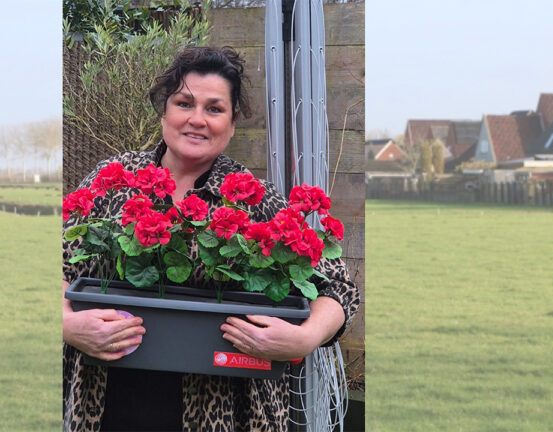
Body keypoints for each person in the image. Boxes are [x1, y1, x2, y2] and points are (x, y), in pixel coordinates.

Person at [62, 46, 360, 431]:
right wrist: (67, 324)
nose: (196, 119)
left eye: (214, 109)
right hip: (103, 403)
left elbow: (339, 287)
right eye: (184, 103)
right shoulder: (115, 178)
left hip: (225, 410)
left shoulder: (254, 197)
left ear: (233, 122)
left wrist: (305, 338)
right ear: (164, 110)